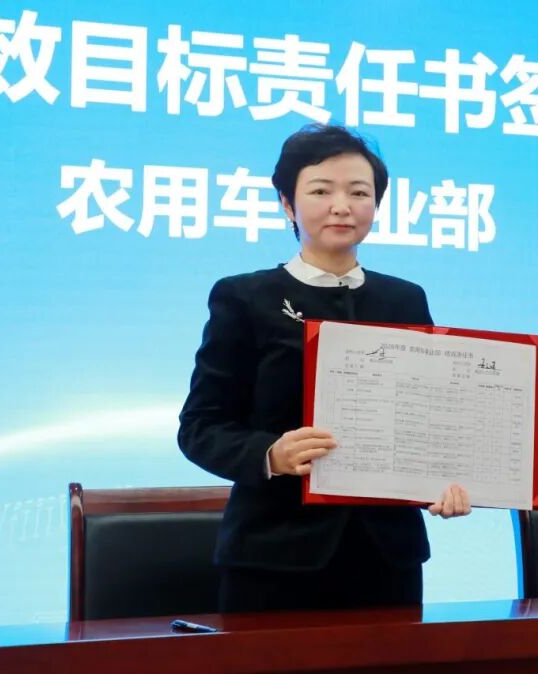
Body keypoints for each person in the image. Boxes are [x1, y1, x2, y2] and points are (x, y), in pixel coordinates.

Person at [178, 124, 470, 613]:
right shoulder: (245, 296)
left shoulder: (404, 299)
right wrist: (270, 454)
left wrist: (443, 481)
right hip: (273, 557)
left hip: (387, 558)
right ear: (287, 204)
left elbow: (423, 418)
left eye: (359, 192)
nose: (342, 206)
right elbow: (200, 427)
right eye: (320, 191)